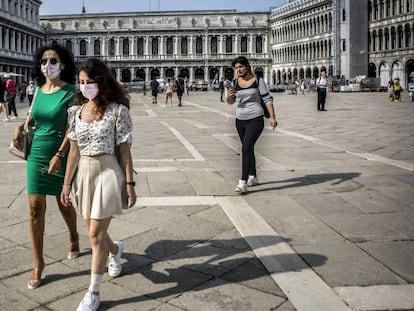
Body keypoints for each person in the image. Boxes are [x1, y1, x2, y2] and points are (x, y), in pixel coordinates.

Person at [61, 58, 136, 311]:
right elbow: (73, 151)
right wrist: (65, 184)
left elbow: (124, 150)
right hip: (84, 174)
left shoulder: (117, 110)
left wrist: (130, 183)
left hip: (107, 172)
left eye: (89, 82)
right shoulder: (75, 112)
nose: (84, 87)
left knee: (94, 235)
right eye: (81, 82)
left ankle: (93, 292)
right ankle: (115, 250)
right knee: (96, 232)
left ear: (101, 81)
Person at [11, 44, 80, 290]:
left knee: (63, 203)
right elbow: (33, 117)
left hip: (61, 152)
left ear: (63, 64)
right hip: (37, 152)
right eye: (43, 61)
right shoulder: (38, 90)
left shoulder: (72, 91)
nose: (47, 65)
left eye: (53, 60)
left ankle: (73, 235)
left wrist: (61, 154)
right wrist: (20, 126)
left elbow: (74, 128)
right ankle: (38, 263)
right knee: (34, 207)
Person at [226, 56, 277, 194]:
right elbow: (232, 102)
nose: (238, 70)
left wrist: (272, 117)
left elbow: (267, 99)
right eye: (236, 68)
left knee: (245, 148)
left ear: (247, 66)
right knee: (248, 148)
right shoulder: (235, 82)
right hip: (240, 119)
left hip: (256, 118)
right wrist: (228, 97)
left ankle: (242, 182)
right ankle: (253, 176)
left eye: (241, 67)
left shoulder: (258, 81)